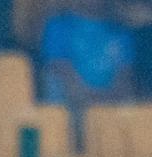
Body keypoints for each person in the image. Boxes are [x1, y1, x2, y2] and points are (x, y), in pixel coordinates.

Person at [39, 0, 137, 148]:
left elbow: (125, 82)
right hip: (73, 109)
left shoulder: (121, 31)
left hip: (112, 109)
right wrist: (93, 106)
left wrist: (106, 106)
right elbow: (63, 76)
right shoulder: (59, 27)